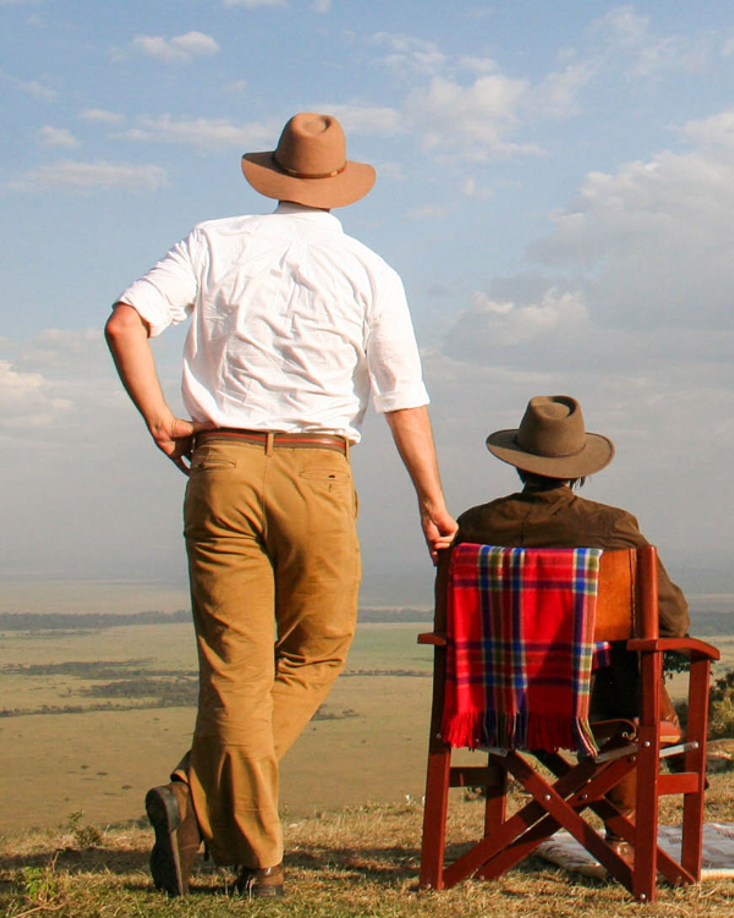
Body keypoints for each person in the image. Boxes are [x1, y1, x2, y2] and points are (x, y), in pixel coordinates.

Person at [104, 112, 457, 899]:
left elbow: (125, 323)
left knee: (234, 669)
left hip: (221, 465)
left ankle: (199, 806)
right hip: (321, 472)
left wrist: (162, 419)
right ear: (339, 186)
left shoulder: (212, 241)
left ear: (273, 176)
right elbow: (403, 400)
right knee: (317, 651)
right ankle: (250, 857)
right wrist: (431, 501)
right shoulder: (371, 271)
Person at [453, 394, 689, 824]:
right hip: (589, 698)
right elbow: (672, 618)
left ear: (517, 462)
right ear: (580, 471)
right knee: (631, 677)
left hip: (489, 697)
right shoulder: (610, 526)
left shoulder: (473, 526)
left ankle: (499, 846)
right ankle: (623, 829)